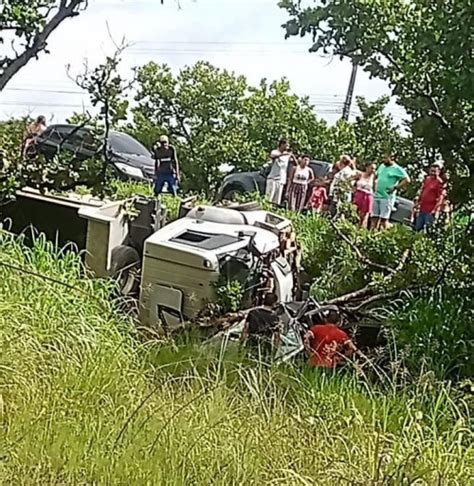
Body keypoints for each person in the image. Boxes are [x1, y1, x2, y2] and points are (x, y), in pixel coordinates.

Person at [372, 154, 410, 230]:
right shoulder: (382, 166)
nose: (383, 159)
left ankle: (386, 234)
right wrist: (374, 185)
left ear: (392, 158)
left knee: (384, 220)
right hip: (376, 195)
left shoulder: (397, 168)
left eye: (385, 158)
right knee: (374, 218)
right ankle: (372, 235)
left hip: (386, 197)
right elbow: (376, 176)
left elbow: (407, 180)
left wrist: (395, 187)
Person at [413, 163, 446, 232]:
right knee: (417, 228)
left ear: (438, 172)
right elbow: (422, 191)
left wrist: (435, 210)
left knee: (428, 230)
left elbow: (440, 198)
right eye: (431, 171)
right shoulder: (427, 179)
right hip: (422, 208)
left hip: (430, 211)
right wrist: (417, 202)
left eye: (435, 171)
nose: (432, 173)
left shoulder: (439, 183)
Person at [265, 139, 294, 206]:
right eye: (286, 145)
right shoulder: (275, 152)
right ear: (282, 145)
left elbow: (295, 163)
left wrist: (292, 156)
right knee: (269, 198)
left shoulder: (287, 155)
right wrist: (283, 154)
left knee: (276, 200)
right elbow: (272, 156)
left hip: (281, 180)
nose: (287, 147)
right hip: (273, 179)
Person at [353, 162, 376, 228]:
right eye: (371, 168)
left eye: (374, 169)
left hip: (368, 196)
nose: (373, 170)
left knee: (364, 216)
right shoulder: (360, 175)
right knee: (354, 212)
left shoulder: (373, 178)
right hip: (359, 194)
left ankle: (360, 229)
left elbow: (374, 189)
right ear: (367, 168)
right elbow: (350, 179)